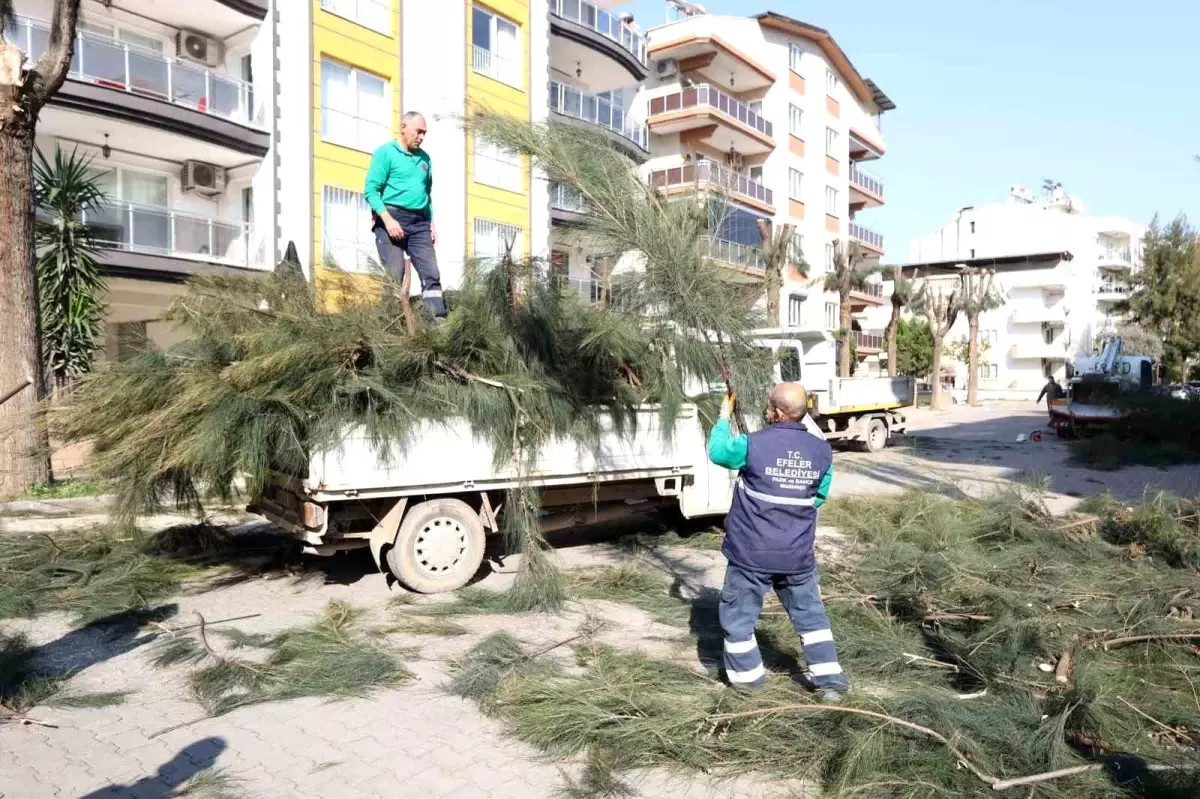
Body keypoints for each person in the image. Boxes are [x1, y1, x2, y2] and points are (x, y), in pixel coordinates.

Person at [707, 384, 849, 702]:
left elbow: (718, 452)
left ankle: (748, 684)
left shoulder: (752, 444)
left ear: (776, 411)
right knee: (811, 617)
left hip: (750, 556)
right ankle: (830, 683)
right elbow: (818, 498)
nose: (766, 410)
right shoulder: (822, 451)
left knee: (739, 619)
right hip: (797, 555)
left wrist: (723, 416)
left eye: (769, 405)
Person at [364, 111, 444, 322]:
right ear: (403, 128)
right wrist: (388, 221)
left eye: (425, 133)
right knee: (395, 275)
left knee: (431, 273)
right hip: (391, 219)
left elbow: (426, 195)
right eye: (418, 131)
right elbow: (371, 191)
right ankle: (389, 326)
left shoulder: (425, 160)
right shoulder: (385, 153)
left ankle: (437, 322)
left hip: (419, 223)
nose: (422, 137)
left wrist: (431, 224)